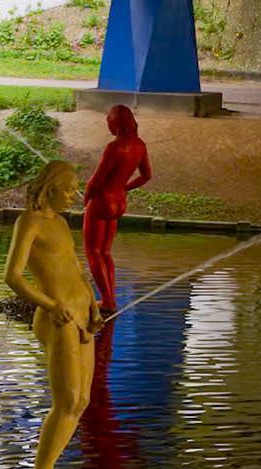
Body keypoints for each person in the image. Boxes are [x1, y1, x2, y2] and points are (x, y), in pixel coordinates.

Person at [4, 160, 101, 469]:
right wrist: (48, 304)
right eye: (69, 189)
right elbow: (13, 276)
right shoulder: (29, 222)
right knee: (66, 401)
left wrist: (92, 305)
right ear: (50, 188)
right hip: (58, 318)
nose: (75, 195)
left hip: (82, 315)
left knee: (82, 401)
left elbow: (76, 269)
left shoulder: (60, 223)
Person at [84, 105, 151, 314]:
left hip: (102, 200)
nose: (108, 126)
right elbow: (146, 175)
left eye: (109, 122)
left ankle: (107, 301)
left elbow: (95, 182)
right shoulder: (140, 145)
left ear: (117, 122)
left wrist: (86, 198)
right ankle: (110, 299)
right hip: (119, 202)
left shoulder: (114, 148)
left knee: (92, 251)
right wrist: (124, 187)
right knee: (105, 251)